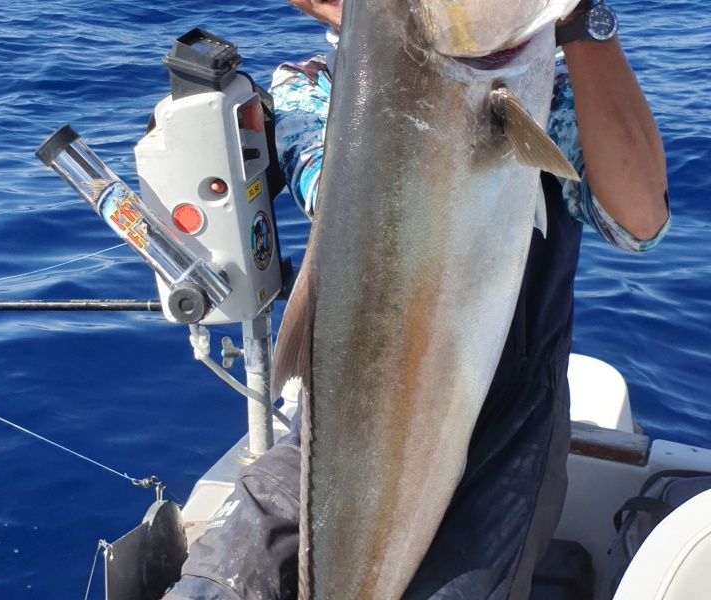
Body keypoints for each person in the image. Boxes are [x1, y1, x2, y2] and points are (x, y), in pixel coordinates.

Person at [166, 0, 670, 598]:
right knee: (212, 586)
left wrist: (585, 20)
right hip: (344, 431)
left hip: (512, 436)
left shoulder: (557, 97)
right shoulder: (308, 92)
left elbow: (639, 221)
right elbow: (363, 218)